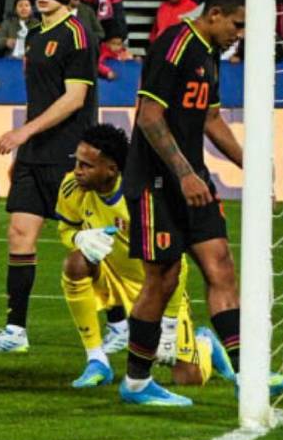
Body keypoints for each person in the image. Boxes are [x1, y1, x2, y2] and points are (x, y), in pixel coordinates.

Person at [120, 0, 283, 406]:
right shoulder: (175, 43)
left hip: (192, 179)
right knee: (161, 280)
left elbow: (211, 118)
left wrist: (250, 164)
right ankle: (136, 382)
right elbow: (148, 117)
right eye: (238, 24)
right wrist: (183, 173)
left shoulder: (210, 52)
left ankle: (247, 374)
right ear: (215, 13)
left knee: (221, 268)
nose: (241, 33)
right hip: (156, 182)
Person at [0, 0, 99, 354]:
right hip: (34, 154)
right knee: (19, 234)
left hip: (69, 152)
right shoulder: (32, 34)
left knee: (86, 242)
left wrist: (23, 132)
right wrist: (25, 147)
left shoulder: (77, 33)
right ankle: (15, 331)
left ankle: (116, 322)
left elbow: (75, 98)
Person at [57, 124, 220, 392]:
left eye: (87, 165)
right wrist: (78, 239)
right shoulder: (71, 187)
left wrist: (168, 324)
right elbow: (66, 228)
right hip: (109, 275)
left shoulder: (141, 197)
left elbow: (175, 264)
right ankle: (96, 360)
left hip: (155, 287)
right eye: (77, 162)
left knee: (189, 378)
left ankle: (205, 343)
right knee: (75, 262)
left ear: (111, 169)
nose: (77, 171)